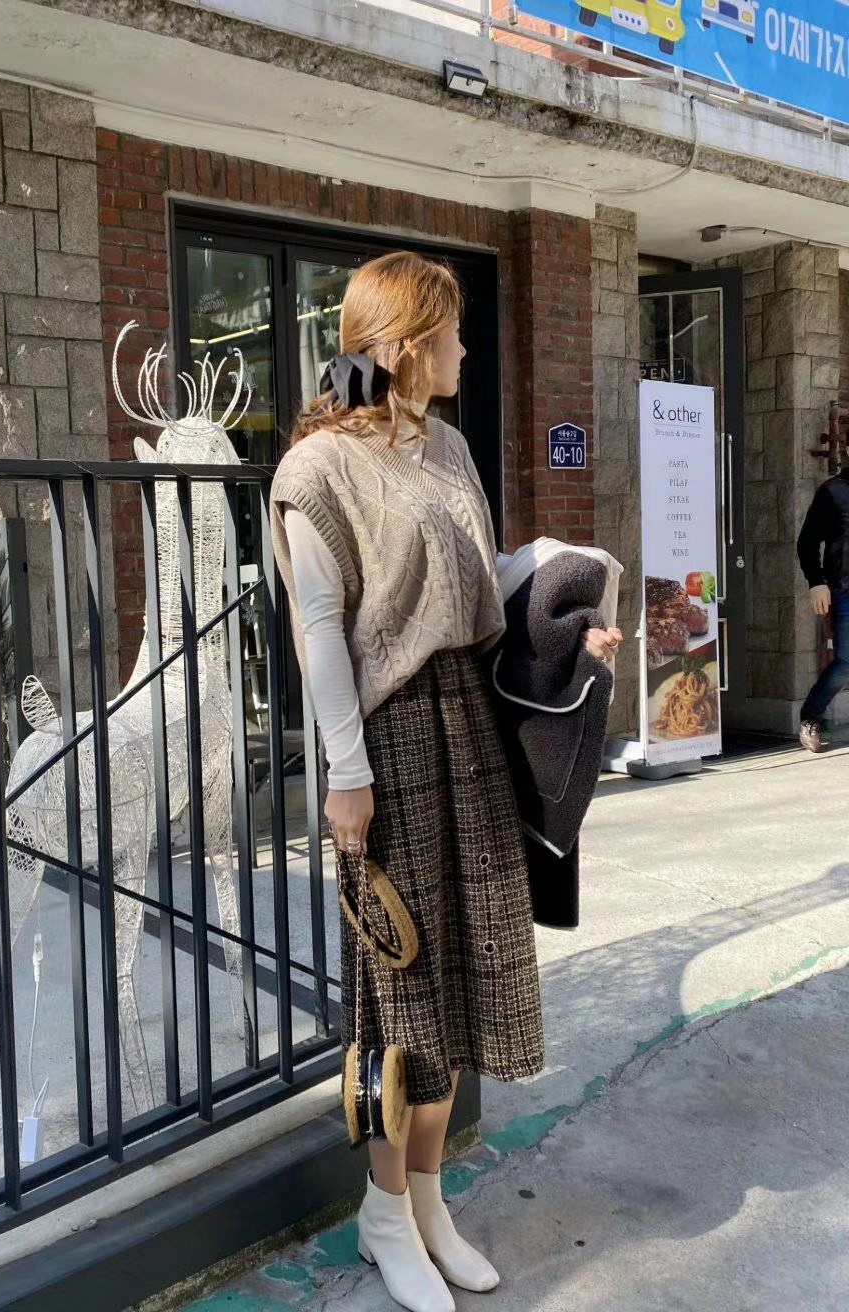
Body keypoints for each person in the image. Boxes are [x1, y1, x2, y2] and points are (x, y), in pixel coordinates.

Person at [270, 251, 621, 1312]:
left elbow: (482, 584)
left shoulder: (451, 446)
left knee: (471, 979)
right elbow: (319, 629)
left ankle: (426, 1202)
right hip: (390, 743)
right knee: (407, 997)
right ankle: (385, 1213)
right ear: (411, 343)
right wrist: (345, 775)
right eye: (455, 332)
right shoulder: (318, 468)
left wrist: (570, 623)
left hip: (471, 726)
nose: (466, 348)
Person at [796, 464, 849, 753]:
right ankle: (811, 716)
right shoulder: (833, 491)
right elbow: (807, 541)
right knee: (846, 661)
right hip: (844, 588)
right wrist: (816, 581)